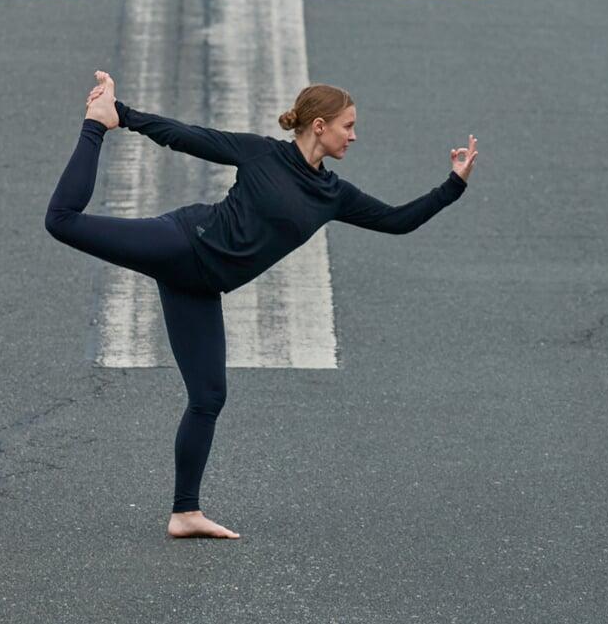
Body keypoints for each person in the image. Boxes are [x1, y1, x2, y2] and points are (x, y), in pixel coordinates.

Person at [45, 70, 478, 539]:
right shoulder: (261, 154)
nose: (354, 135)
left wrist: (452, 185)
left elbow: (398, 221)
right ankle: (95, 122)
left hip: (200, 285)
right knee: (63, 222)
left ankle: (185, 513)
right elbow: (185, 137)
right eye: (347, 125)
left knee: (209, 397)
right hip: (181, 244)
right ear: (318, 125)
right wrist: (120, 116)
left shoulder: (335, 195)